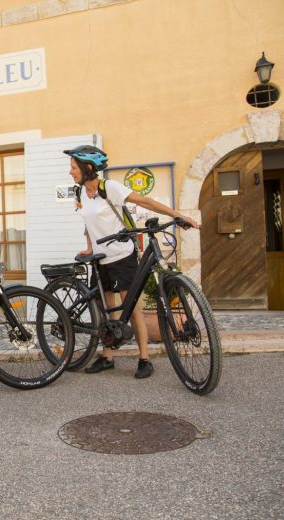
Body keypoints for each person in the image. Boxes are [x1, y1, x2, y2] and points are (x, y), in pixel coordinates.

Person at [65, 145, 200, 379]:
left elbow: (145, 201)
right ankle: (108, 356)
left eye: (74, 167)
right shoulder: (80, 193)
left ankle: (144, 358)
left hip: (121, 256)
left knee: (132, 308)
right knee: (108, 311)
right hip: (100, 260)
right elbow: (87, 222)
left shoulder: (110, 188)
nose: (70, 171)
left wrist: (177, 215)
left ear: (88, 168)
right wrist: (89, 246)